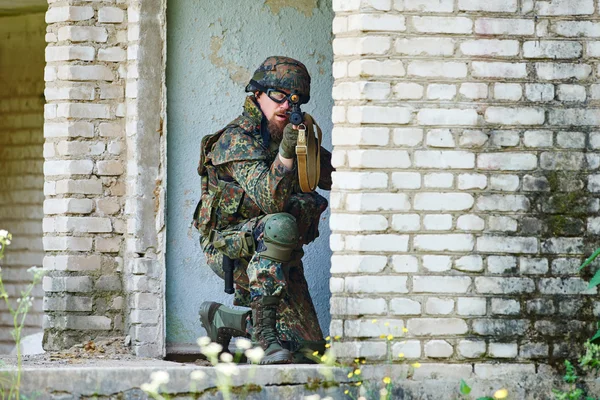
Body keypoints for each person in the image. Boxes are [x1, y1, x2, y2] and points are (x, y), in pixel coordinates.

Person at [193, 56, 334, 364]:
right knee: (280, 223)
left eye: (295, 99)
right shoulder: (235, 139)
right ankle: (264, 338)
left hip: (277, 254)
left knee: (310, 352)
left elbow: (334, 176)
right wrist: (286, 152)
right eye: (278, 96)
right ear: (257, 94)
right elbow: (270, 200)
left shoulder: (295, 131)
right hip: (230, 248)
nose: (286, 105)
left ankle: (224, 319)